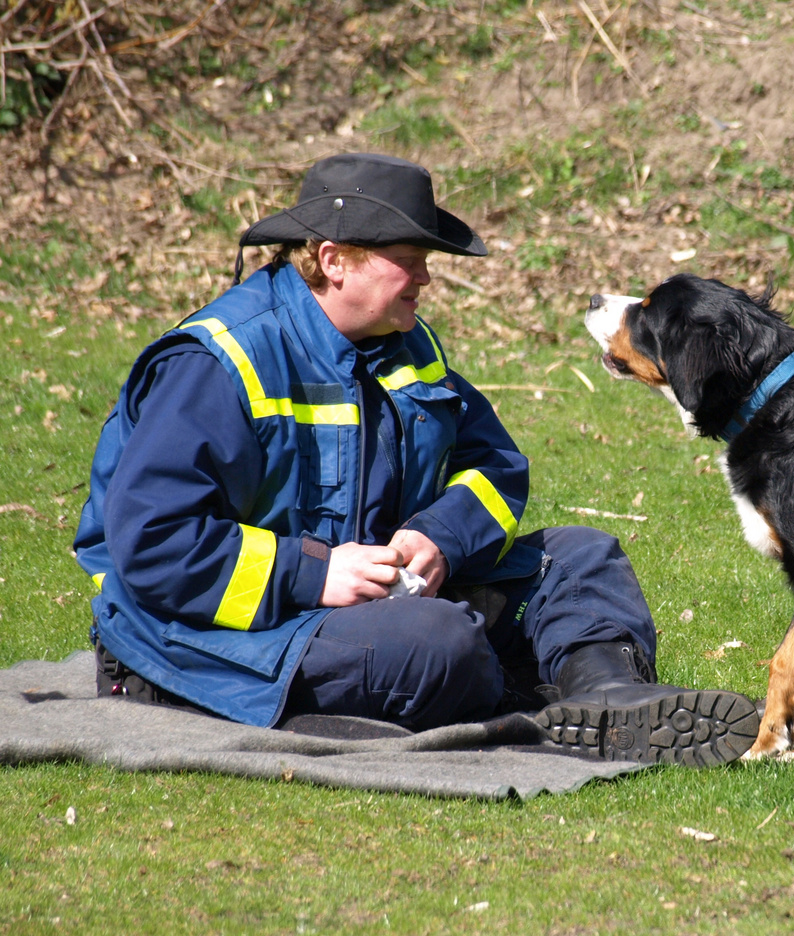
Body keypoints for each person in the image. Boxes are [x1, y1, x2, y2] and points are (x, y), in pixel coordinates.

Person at [73, 152, 759, 767]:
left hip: (375, 601)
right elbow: (153, 544)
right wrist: (313, 574)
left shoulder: (403, 340)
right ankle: (543, 692)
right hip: (199, 633)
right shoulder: (219, 362)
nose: (427, 276)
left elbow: (495, 468)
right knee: (438, 643)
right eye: (409, 256)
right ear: (334, 259)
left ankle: (613, 703)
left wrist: (441, 537)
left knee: (583, 557)